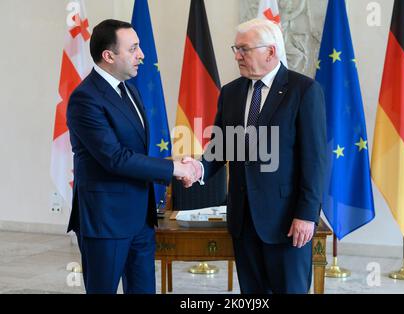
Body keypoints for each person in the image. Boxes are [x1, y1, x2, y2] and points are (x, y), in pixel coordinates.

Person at [183, 18, 327, 293]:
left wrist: (307, 215)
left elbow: (315, 160)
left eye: (244, 49)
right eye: (235, 49)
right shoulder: (231, 92)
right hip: (243, 221)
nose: (237, 55)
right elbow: (220, 147)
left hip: (287, 222)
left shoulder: (304, 91)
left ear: (270, 52)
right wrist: (198, 169)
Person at [66, 19, 196, 294]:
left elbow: (134, 152)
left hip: (140, 218)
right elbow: (115, 157)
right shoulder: (85, 98)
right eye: (133, 48)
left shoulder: (130, 89)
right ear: (108, 55)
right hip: (106, 221)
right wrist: (173, 169)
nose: (142, 55)